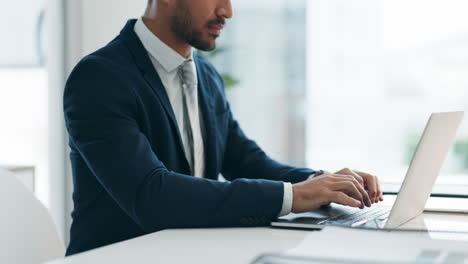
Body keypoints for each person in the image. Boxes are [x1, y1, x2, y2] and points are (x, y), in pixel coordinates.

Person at [63, 0, 383, 256]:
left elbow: (245, 160)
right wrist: (293, 195)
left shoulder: (206, 75)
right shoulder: (99, 78)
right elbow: (152, 195)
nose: (227, 11)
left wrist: (322, 183)